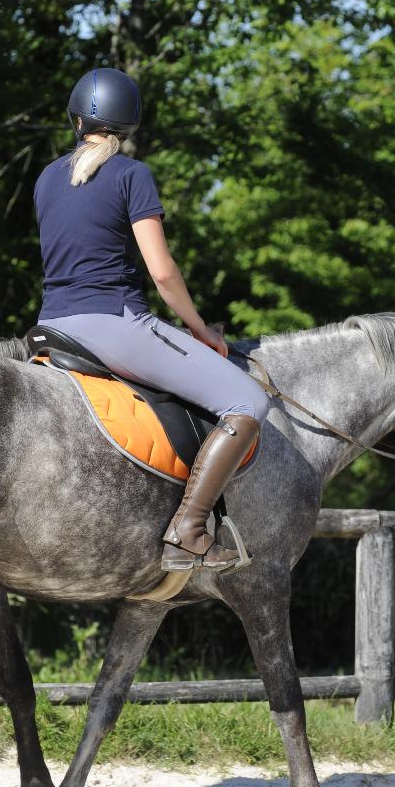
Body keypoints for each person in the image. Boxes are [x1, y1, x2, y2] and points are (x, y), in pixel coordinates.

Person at [34, 67, 270, 572]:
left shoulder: (46, 178)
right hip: (113, 324)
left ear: (76, 120)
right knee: (249, 400)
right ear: (130, 125)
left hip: (51, 326)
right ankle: (188, 530)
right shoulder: (132, 175)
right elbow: (162, 274)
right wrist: (202, 330)